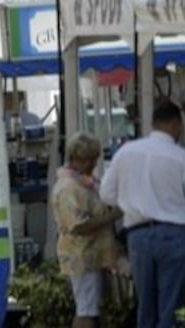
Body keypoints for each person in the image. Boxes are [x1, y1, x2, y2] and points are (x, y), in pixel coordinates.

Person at [100, 102, 185, 328]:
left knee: (145, 307)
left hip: (137, 236)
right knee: (172, 308)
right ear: (176, 125)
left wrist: (132, 202)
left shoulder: (125, 152)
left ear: (153, 124)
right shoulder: (183, 158)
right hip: (173, 236)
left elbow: (106, 194)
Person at [51, 132, 123, 328]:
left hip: (93, 254)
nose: (92, 164)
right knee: (86, 311)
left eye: (94, 159)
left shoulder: (85, 182)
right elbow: (79, 226)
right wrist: (112, 216)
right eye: (88, 160)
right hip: (81, 256)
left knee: (91, 309)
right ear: (74, 158)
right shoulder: (68, 188)